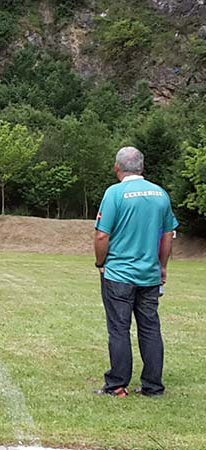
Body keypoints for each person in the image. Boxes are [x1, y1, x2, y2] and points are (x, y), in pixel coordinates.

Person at [93, 147, 178, 397]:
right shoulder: (160, 194)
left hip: (119, 274)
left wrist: (100, 263)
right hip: (149, 274)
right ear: (142, 167)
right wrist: (162, 266)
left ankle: (117, 384)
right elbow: (168, 235)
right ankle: (153, 386)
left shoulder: (114, 193)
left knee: (119, 328)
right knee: (150, 328)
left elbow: (102, 235)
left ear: (116, 167)